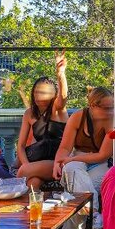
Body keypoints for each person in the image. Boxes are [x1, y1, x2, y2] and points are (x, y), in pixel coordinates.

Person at [52, 86, 114, 229]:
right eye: (106, 108)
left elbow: (102, 155)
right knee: (72, 171)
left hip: (99, 164)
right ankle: (94, 214)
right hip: (77, 162)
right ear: (93, 106)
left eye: (111, 107)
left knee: (76, 192)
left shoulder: (111, 121)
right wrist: (58, 162)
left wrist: (72, 159)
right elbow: (64, 148)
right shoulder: (78, 117)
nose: (110, 111)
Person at [16, 52, 69, 190]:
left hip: (57, 161)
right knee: (32, 183)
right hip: (37, 161)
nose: (39, 95)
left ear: (53, 94)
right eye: (37, 92)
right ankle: (34, 211)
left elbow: (63, 96)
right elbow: (20, 145)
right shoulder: (29, 113)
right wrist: (27, 164)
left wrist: (61, 74)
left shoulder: (58, 110)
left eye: (44, 92)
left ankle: (12, 204)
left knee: (22, 172)